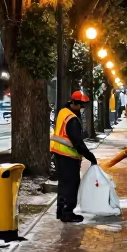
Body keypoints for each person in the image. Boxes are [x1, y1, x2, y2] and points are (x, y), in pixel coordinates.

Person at [50, 90, 97, 223]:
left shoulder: (62, 112)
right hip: (68, 156)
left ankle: (61, 211)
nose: (82, 108)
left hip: (59, 154)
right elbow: (77, 142)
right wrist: (89, 156)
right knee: (71, 184)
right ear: (74, 103)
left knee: (63, 184)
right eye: (81, 105)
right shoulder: (72, 119)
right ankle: (68, 212)